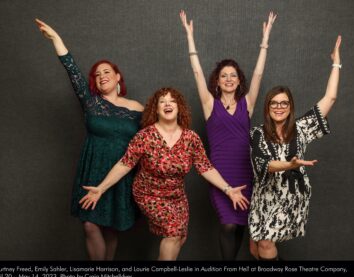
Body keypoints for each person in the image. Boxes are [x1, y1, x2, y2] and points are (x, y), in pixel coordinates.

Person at [80, 87, 249, 260]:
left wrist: (228, 189)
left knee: (178, 238)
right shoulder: (144, 136)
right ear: (156, 108)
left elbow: (206, 167)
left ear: (179, 107)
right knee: (174, 233)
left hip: (177, 197)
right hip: (148, 194)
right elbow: (125, 164)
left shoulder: (191, 138)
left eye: (172, 101)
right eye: (162, 101)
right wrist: (101, 188)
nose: (167, 104)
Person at [35, 19, 144, 260]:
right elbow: (71, 69)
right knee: (90, 225)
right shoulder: (91, 103)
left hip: (121, 173)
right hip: (93, 169)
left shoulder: (138, 108)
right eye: (97, 74)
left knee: (112, 228)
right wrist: (56, 38)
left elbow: (153, 138)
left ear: (117, 77)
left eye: (107, 71)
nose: (101, 76)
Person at [180, 10, 277, 260]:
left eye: (233, 75)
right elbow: (197, 73)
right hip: (220, 174)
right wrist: (190, 38)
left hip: (246, 171)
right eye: (224, 75)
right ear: (217, 81)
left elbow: (258, 74)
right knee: (227, 224)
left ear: (238, 80)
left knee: (241, 224)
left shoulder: (248, 103)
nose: (229, 79)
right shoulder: (209, 104)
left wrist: (264, 41)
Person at [249, 36, 342, 260]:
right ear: (267, 107)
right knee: (255, 249)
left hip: (289, 195)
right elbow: (264, 164)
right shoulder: (257, 133)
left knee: (265, 243)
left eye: (284, 103)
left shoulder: (300, 129)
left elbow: (330, 97)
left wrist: (336, 63)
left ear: (290, 107)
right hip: (263, 195)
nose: (279, 107)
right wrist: (289, 163)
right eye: (274, 103)